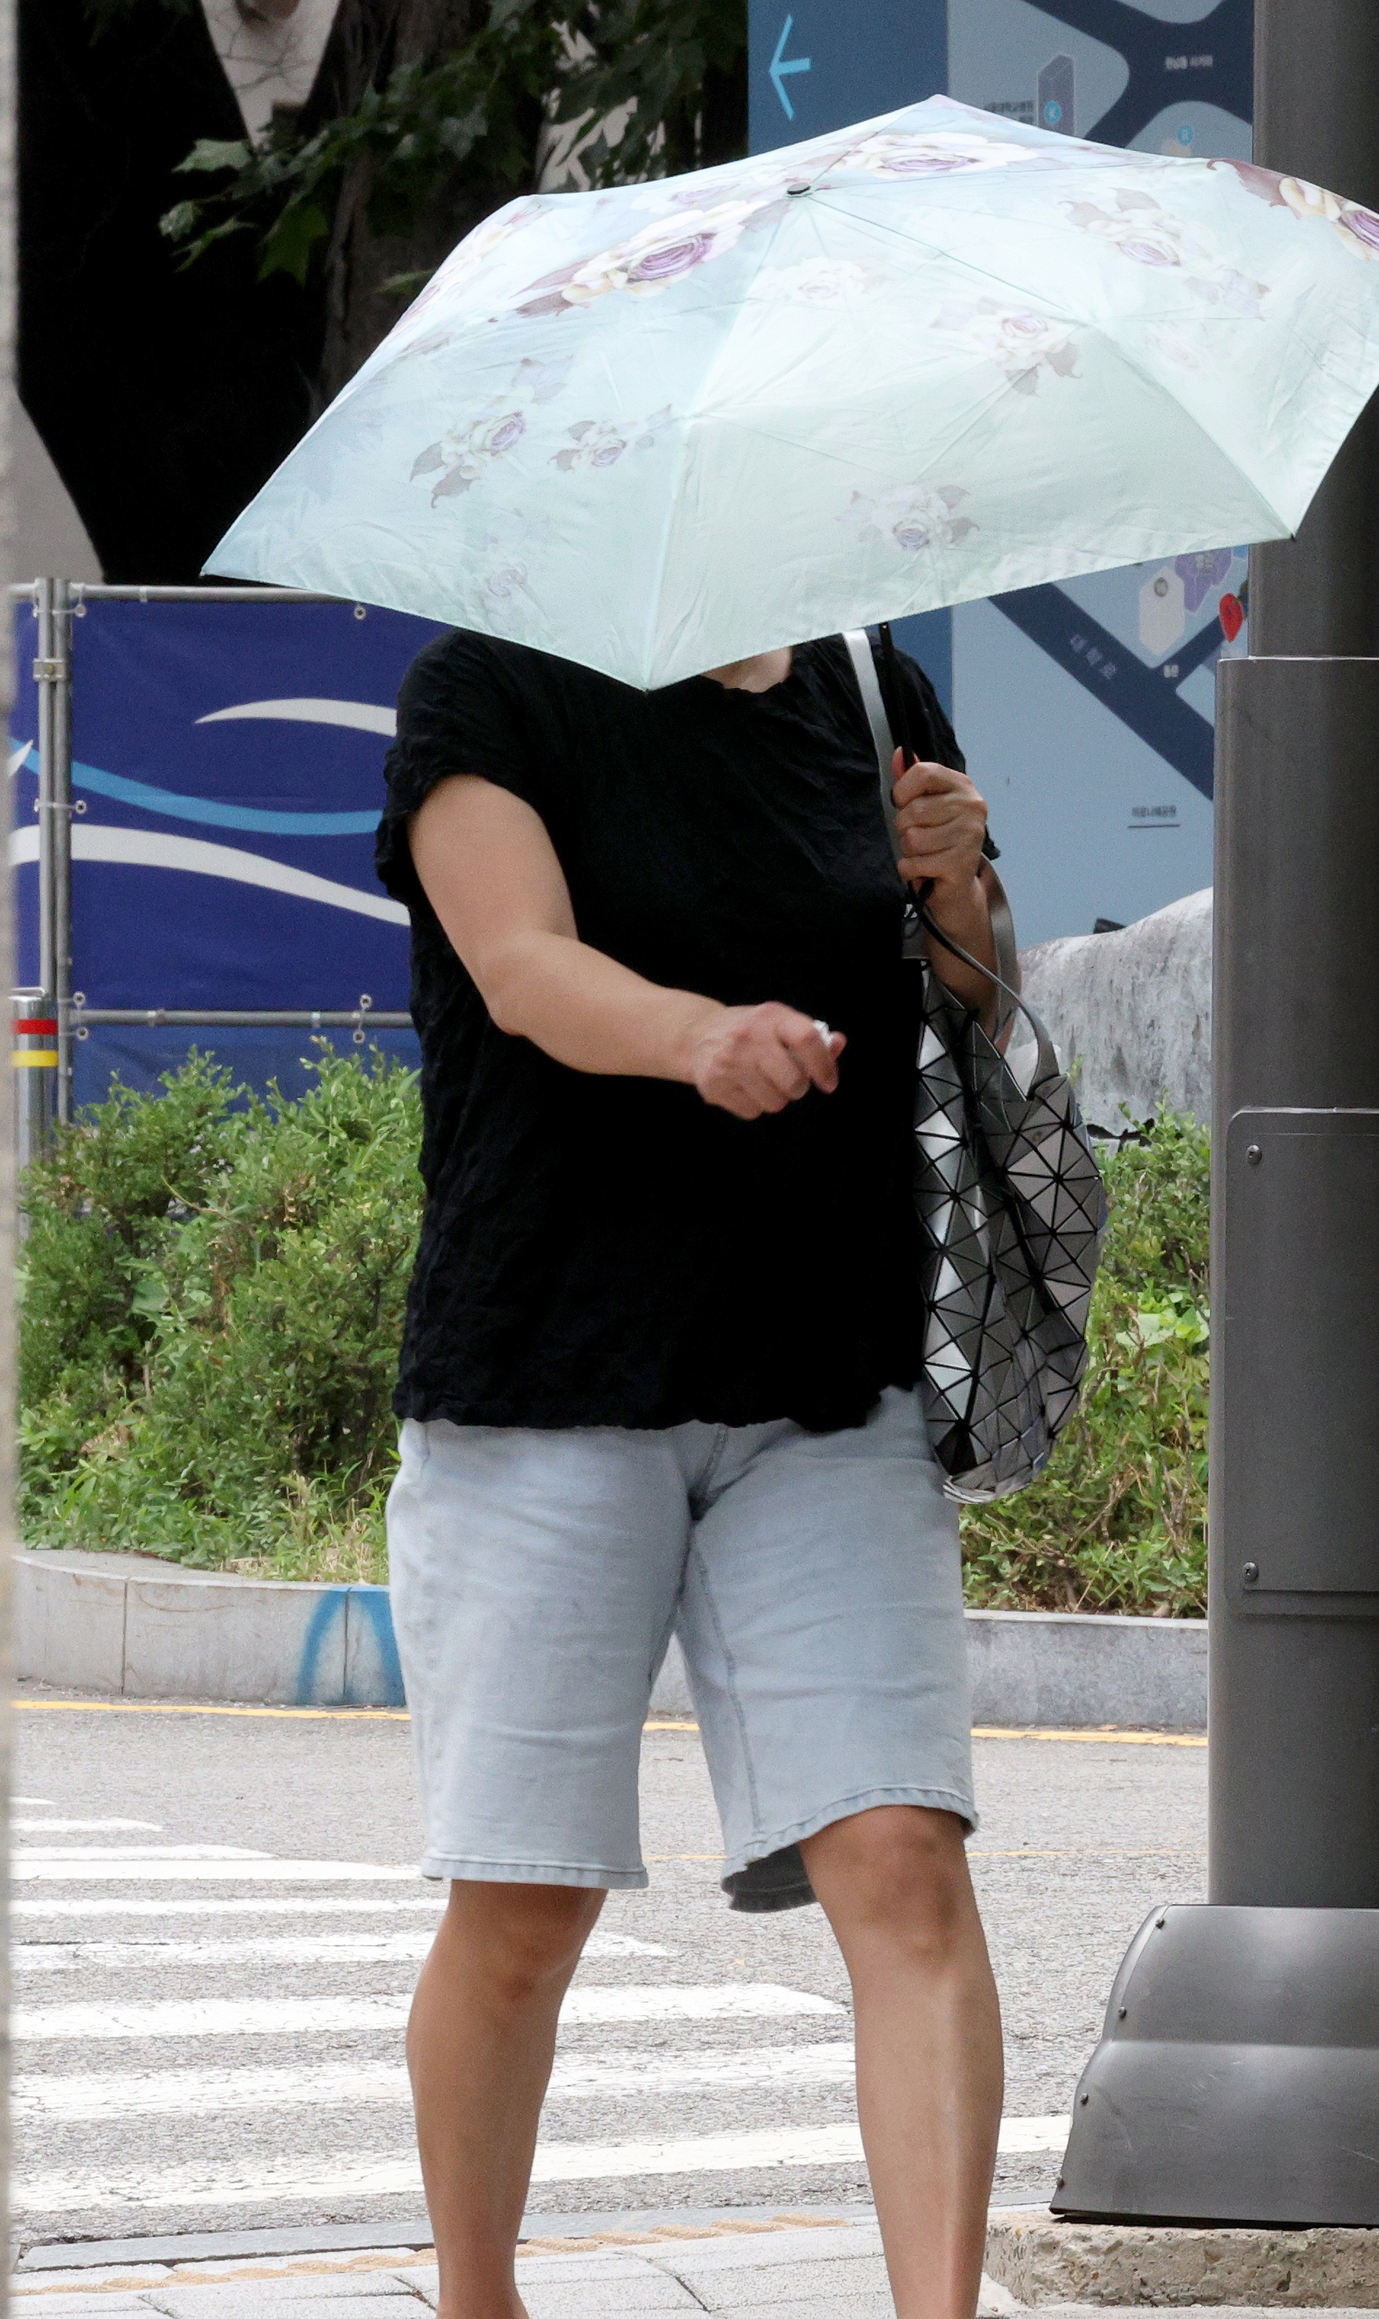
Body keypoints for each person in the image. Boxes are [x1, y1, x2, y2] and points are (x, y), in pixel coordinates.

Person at [373, 625, 1009, 2319]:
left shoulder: (866, 690)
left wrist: (954, 887)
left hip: (825, 1374)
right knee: (526, 1906)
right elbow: (519, 965)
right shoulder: (489, 692)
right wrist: (698, 1039)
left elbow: (962, 983)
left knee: (903, 1859)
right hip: (548, 1375)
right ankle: (478, 2301)